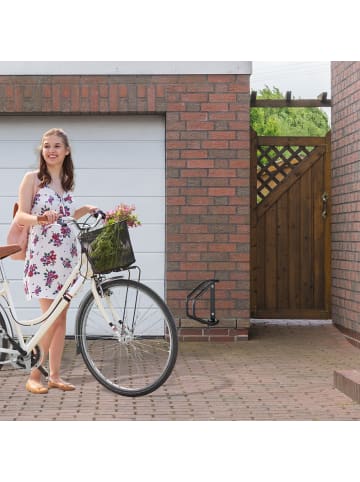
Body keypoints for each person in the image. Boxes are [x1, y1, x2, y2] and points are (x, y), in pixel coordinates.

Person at [15, 128, 97, 394]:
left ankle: (56, 376)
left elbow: (64, 216)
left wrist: (83, 211)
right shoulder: (32, 179)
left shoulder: (65, 181)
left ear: (67, 151)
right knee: (49, 318)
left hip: (67, 257)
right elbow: (21, 217)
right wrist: (40, 219)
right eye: (47, 145)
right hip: (44, 259)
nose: (51, 150)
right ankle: (35, 376)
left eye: (57, 146)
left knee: (61, 318)